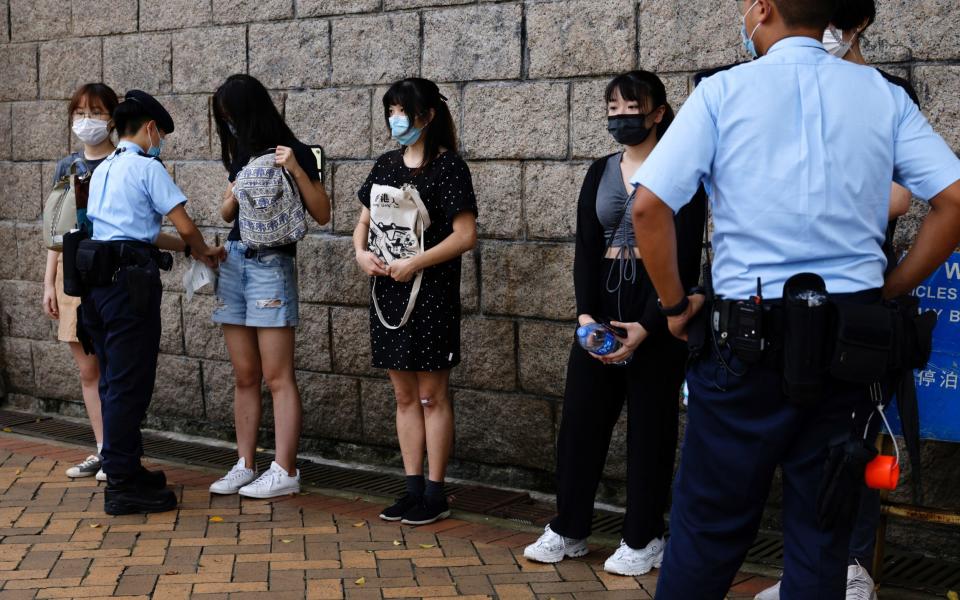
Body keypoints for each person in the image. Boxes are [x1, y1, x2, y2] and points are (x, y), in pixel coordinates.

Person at [629, 0, 960, 598]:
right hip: (850, 350)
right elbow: (953, 202)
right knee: (822, 534)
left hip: (744, 343)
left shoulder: (723, 92)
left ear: (763, 9)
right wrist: (890, 288)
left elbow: (649, 207)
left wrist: (677, 308)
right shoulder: (881, 96)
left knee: (707, 532)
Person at [754, 1, 919, 598]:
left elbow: (903, 195)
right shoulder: (782, 85)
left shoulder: (886, 91)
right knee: (796, 439)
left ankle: (854, 566)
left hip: (857, 298)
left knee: (856, 434)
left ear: (858, 25)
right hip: (786, 299)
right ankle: (805, 569)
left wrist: (812, 208)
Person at [522, 71, 705, 576]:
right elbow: (584, 247)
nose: (621, 117)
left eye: (632, 108)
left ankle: (644, 536)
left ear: (658, 113)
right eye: (614, 108)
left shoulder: (681, 173)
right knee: (580, 424)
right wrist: (585, 316)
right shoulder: (598, 170)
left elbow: (685, 254)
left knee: (650, 429)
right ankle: (570, 527)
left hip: (658, 310)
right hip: (601, 304)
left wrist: (650, 324)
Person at [81, 90, 224, 515]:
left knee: (113, 381)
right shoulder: (147, 167)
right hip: (129, 287)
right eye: (158, 131)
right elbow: (184, 224)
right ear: (148, 129)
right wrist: (201, 250)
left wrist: (184, 249)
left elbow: (136, 232)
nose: (159, 138)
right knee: (129, 384)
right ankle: (122, 485)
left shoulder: (104, 168)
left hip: (98, 286)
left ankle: (125, 465)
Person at [356, 78, 477, 526]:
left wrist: (417, 263)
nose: (395, 119)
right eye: (390, 110)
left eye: (402, 111)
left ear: (427, 116)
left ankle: (435, 491)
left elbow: (466, 236)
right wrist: (361, 253)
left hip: (431, 296)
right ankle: (410, 488)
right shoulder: (385, 165)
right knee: (404, 396)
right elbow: (363, 222)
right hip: (389, 294)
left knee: (431, 396)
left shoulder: (449, 168)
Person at [207, 74, 330, 499]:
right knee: (245, 374)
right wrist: (235, 190)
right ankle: (244, 463)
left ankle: (286, 469)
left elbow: (322, 213)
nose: (229, 125)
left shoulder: (293, 151)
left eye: (231, 116)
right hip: (235, 261)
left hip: (271, 264)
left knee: (277, 375)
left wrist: (294, 168)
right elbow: (226, 214)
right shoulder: (240, 154)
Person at [41, 83, 118, 482]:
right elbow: (57, 232)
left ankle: (120, 450)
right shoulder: (66, 168)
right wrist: (49, 282)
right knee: (89, 372)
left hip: (111, 280)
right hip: (73, 282)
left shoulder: (123, 162)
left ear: (113, 118)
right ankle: (104, 449)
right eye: (80, 112)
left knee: (115, 368)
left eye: (97, 112)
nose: (87, 121)